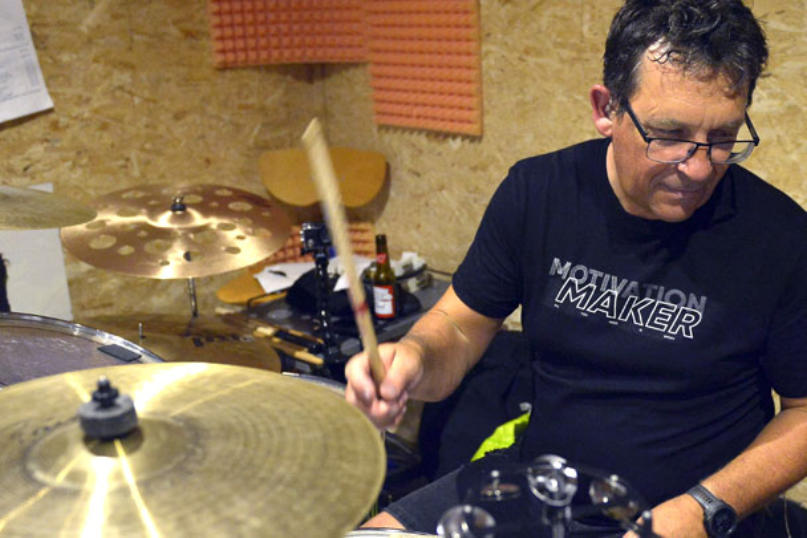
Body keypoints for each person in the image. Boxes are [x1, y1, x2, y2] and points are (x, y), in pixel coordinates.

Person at [345, 1, 807, 537]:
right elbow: (458, 326)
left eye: (723, 138)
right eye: (669, 134)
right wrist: (415, 358)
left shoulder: (781, 236)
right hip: (541, 484)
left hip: (694, 512)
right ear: (606, 108)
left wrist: (704, 509)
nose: (700, 168)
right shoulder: (538, 192)